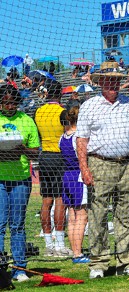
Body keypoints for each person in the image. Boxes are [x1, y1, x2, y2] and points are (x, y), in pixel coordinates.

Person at [76, 61, 129, 278]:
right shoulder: (89, 106)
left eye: (116, 80)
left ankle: (125, 262)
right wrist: (85, 168)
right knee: (97, 215)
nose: (113, 84)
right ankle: (98, 263)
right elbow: (81, 140)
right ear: (100, 82)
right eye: (109, 80)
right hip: (99, 163)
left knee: (126, 215)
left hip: (127, 164)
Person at [0, 85, 40, 282]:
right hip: (0, 179)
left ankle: (19, 268)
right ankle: (1, 267)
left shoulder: (26, 121)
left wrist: (21, 148)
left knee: (17, 224)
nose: (9, 106)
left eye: (12, 102)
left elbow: (36, 152)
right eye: (5, 102)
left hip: (21, 179)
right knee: (0, 223)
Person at [34, 80, 71, 257]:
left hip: (44, 157)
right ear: (61, 94)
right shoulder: (62, 112)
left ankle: (48, 244)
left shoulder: (39, 111)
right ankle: (60, 244)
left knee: (45, 201)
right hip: (59, 157)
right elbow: (68, 134)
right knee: (60, 201)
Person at [58, 107, 90, 264]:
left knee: (72, 216)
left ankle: (75, 251)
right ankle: (78, 253)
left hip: (67, 177)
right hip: (78, 176)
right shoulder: (77, 136)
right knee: (81, 216)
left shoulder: (62, 137)